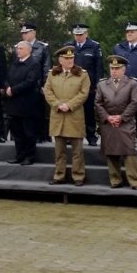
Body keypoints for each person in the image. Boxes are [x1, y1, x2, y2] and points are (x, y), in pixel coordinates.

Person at [95, 55, 137, 189]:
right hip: (108, 123)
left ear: (124, 69)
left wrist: (121, 117)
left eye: (117, 68)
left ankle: (135, 181)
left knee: (129, 151)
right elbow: (98, 103)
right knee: (110, 151)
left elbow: (135, 102)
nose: (114, 71)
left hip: (125, 122)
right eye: (112, 68)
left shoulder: (133, 83)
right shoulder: (102, 84)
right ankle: (115, 180)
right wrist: (107, 117)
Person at [44, 46, 89, 185]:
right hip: (58, 116)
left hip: (74, 115)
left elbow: (83, 93)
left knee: (77, 151)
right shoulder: (53, 74)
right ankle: (59, 175)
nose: (70, 61)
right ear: (60, 60)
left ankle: (78, 176)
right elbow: (48, 91)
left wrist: (69, 105)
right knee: (59, 151)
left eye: (72, 58)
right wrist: (57, 105)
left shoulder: (82, 74)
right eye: (66, 58)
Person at [3, 40, 45, 165]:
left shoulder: (34, 64)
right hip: (14, 103)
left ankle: (29, 156)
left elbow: (30, 82)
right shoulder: (15, 63)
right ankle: (19, 155)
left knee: (28, 132)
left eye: (20, 48)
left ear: (28, 50)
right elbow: (7, 77)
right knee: (17, 132)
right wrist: (7, 87)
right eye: (17, 49)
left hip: (27, 103)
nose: (18, 51)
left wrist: (14, 90)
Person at [62, 23, 103, 146]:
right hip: (71, 86)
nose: (78, 37)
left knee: (88, 111)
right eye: (76, 35)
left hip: (88, 86)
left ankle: (91, 136)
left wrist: (97, 85)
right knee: (71, 111)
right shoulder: (68, 46)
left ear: (86, 34)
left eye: (81, 34)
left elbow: (99, 67)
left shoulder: (94, 46)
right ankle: (70, 136)